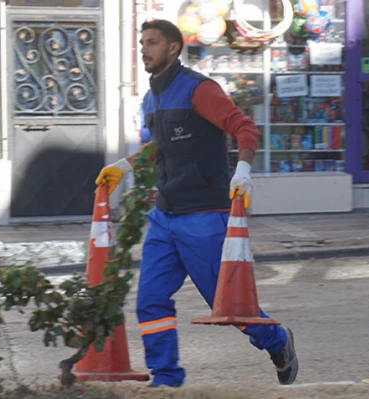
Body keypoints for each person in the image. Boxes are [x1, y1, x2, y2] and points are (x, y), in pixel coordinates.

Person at [94, 20, 298, 388]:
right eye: (142, 43)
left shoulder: (199, 89)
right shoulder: (151, 97)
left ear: (173, 48)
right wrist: (124, 166)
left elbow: (243, 127)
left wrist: (244, 170)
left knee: (229, 307)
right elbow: (160, 148)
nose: (144, 49)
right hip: (164, 216)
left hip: (204, 216)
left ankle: (278, 340)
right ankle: (166, 380)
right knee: (151, 301)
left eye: (152, 42)